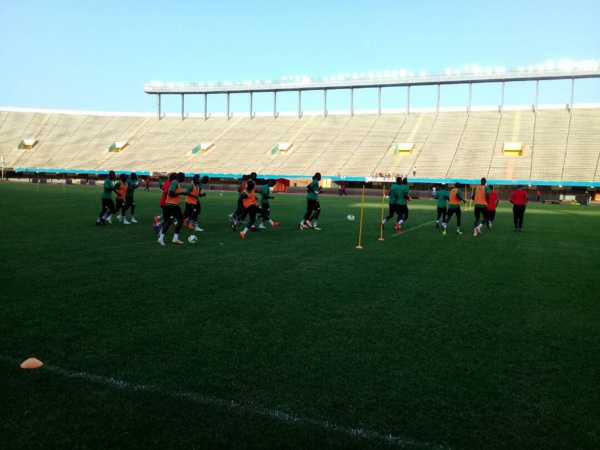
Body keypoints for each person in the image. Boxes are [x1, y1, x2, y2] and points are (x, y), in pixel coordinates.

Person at [157, 172, 185, 245]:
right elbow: (171, 193)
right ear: (180, 177)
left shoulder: (175, 183)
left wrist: (180, 195)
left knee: (170, 221)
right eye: (183, 177)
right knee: (180, 219)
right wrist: (181, 194)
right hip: (172, 205)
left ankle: (161, 238)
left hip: (171, 205)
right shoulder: (175, 183)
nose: (184, 179)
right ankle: (175, 238)